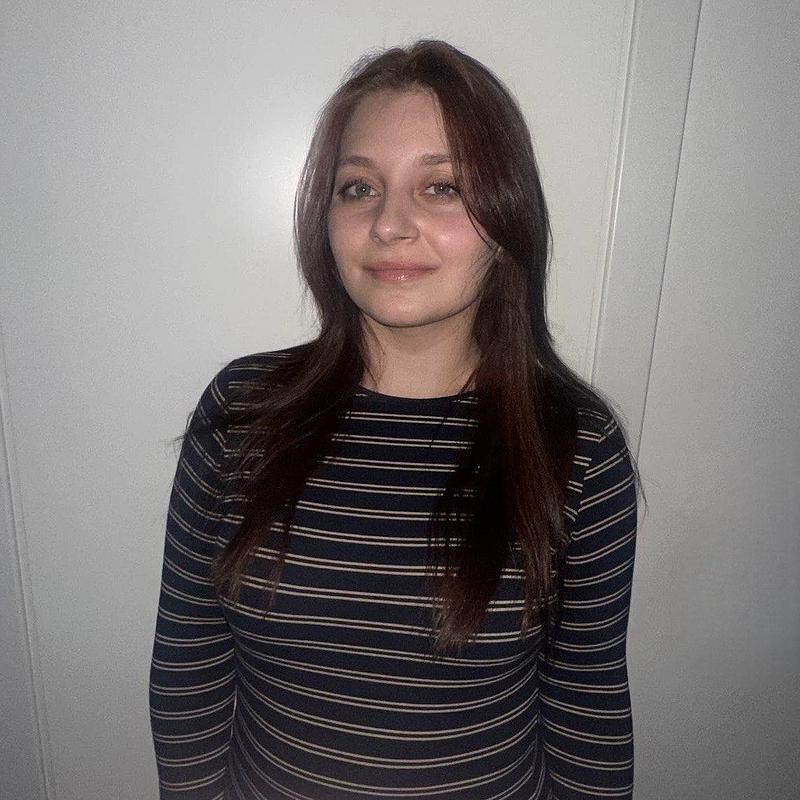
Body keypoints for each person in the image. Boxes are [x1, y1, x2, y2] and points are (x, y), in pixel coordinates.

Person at [149, 39, 644, 800]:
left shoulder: (576, 445)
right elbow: (189, 667)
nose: (389, 223)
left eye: (441, 187)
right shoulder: (242, 410)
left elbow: (587, 702)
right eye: (359, 188)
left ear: (507, 214)